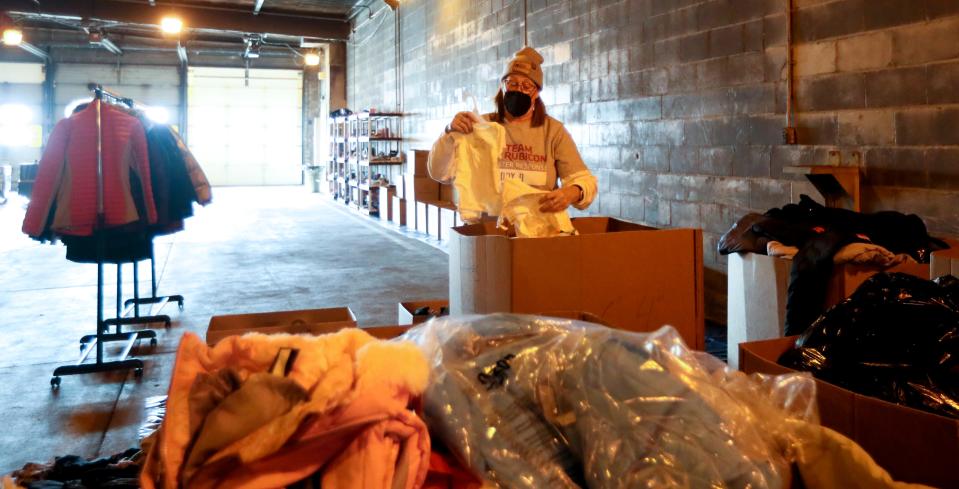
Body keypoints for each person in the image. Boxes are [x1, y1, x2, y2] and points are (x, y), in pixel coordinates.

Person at [429, 46, 597, 216]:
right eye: (512, 83)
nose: (518, 90)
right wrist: (449, 132)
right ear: (503, 86)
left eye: (526, 86)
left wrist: (571, 193)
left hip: (536, 230)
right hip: (489, 230)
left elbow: (584, 181)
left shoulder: (553, 131)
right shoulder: (480, 126)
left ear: (537, 93)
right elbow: (439, 173)